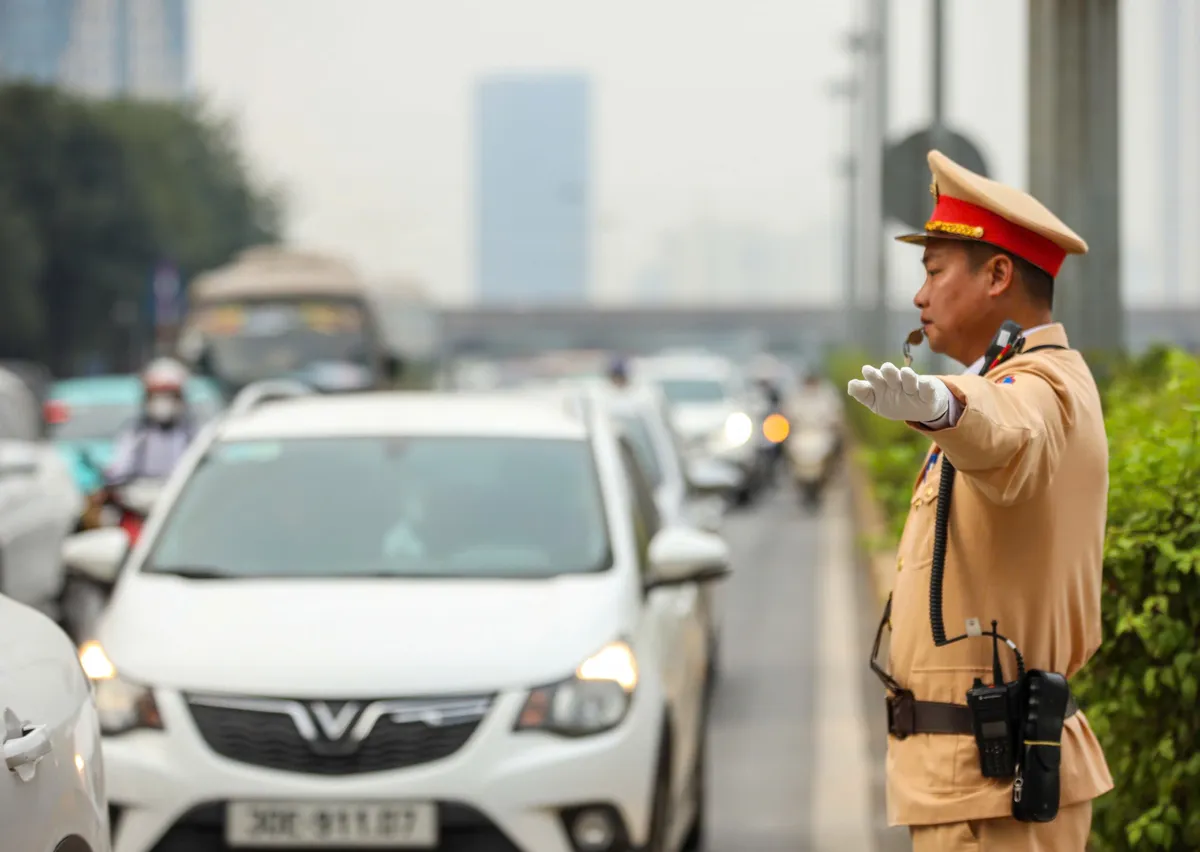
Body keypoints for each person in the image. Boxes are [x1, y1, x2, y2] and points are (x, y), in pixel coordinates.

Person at [846, 150, 1112, 851]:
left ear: (997, 275)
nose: (919, 296)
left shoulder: (1044, 385)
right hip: (971, 784)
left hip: (993, 795)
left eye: (934, 272)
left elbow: (1007, 430)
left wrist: (942, 402)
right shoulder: (1016, 378)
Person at [104, 357, 199, 485]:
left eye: (169, 396)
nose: (163, 402)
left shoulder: (192, 431)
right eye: (157, 396)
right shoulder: (136, 431)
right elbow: (120, 467)